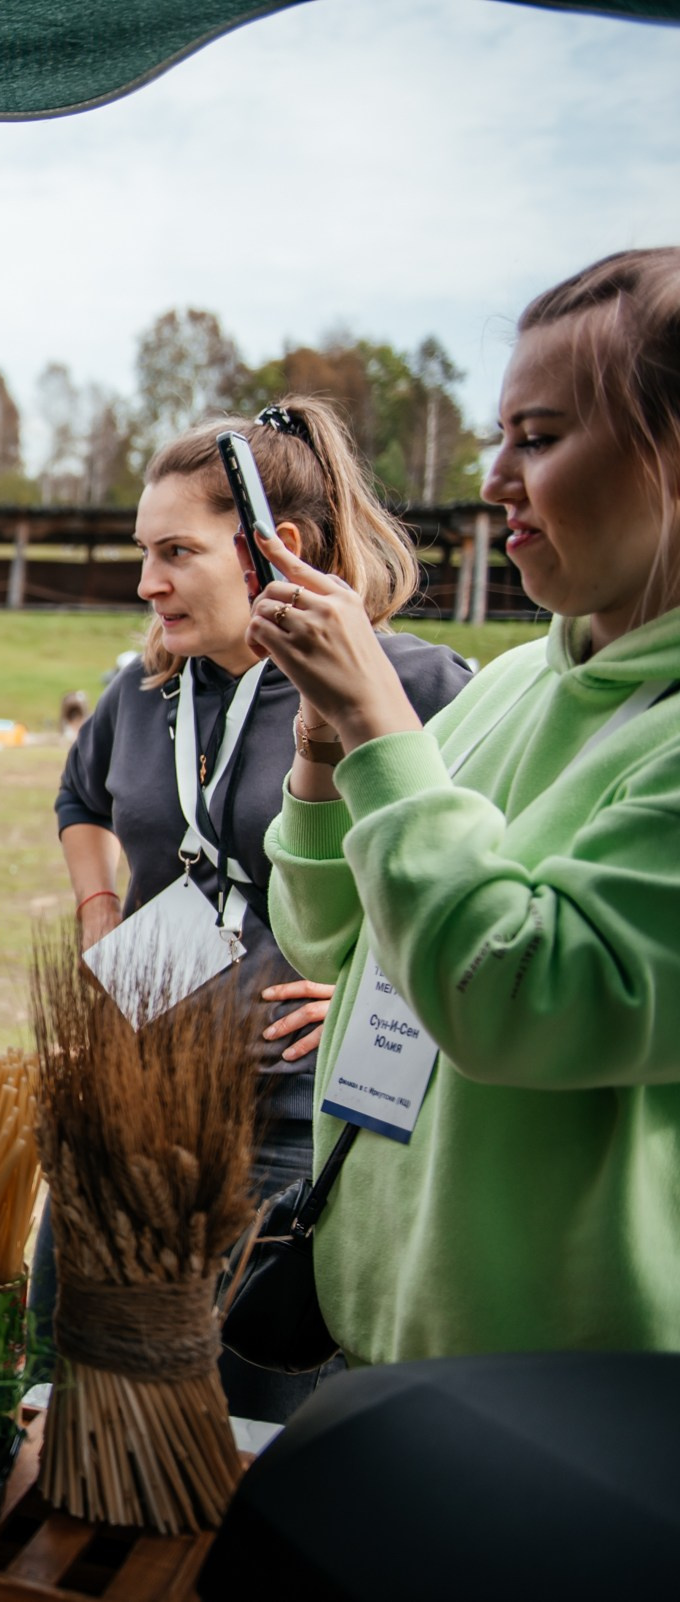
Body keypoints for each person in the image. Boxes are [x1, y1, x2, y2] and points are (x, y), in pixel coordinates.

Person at [259, 249, 680, 1365]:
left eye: (538, 438)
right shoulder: (508, 686)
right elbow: (333, 939)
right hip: (382, 1345)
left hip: (569, 1405)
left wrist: (383, 730)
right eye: (500, 436)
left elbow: (521, 999)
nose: (496, 477)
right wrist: (324, 749)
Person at [49, 394, 471, 1419]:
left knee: (249, 1410)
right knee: (83, 1378)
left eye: (176, 553)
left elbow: (475, 873)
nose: (147, 583)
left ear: (272, 552)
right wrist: (103, 908)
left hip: (296, 1106)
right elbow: (79, 797)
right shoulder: (145, 688)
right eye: (143, 553)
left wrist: (391, 996)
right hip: (134, 1083)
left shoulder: (408, 683)